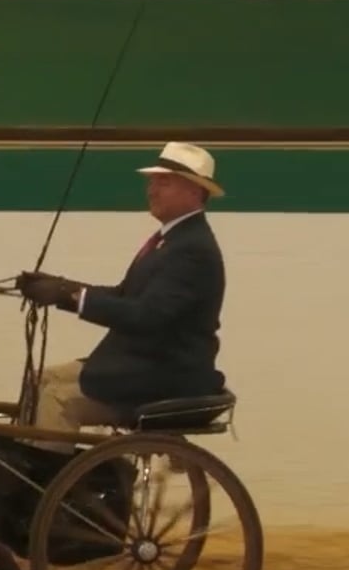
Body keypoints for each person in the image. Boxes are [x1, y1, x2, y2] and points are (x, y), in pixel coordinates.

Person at [14, 141, 229, 441]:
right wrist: (63, 288)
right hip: (142, 363)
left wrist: (71, 296)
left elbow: (146, 316)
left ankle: (45, 480)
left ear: (194, 191)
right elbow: (125, 295)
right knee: (42, 379)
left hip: (164, 374)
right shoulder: (170, 240)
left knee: (57, 399)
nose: (151, 190)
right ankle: (24, 462)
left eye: (162, 182)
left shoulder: (192, 250)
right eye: (152, 181)